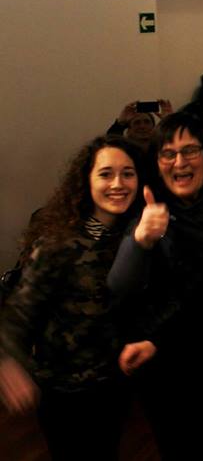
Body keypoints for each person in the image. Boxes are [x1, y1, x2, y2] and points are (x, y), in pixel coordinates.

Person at [106, 111, 203, 459]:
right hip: (167, 362)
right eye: (168, 154)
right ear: (157, 163)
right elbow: (120, 285)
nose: (179, 162)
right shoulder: (148, 205)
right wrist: (142, 238)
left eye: (190, 151)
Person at [0, 136, 147, 460]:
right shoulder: (58, 244)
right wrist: (9, 362)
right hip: (66, 390)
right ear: (87, 181)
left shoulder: (137, 237)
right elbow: (19, 313)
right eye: (106, 174)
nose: (118, 184)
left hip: (115, 384)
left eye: (128, 174)